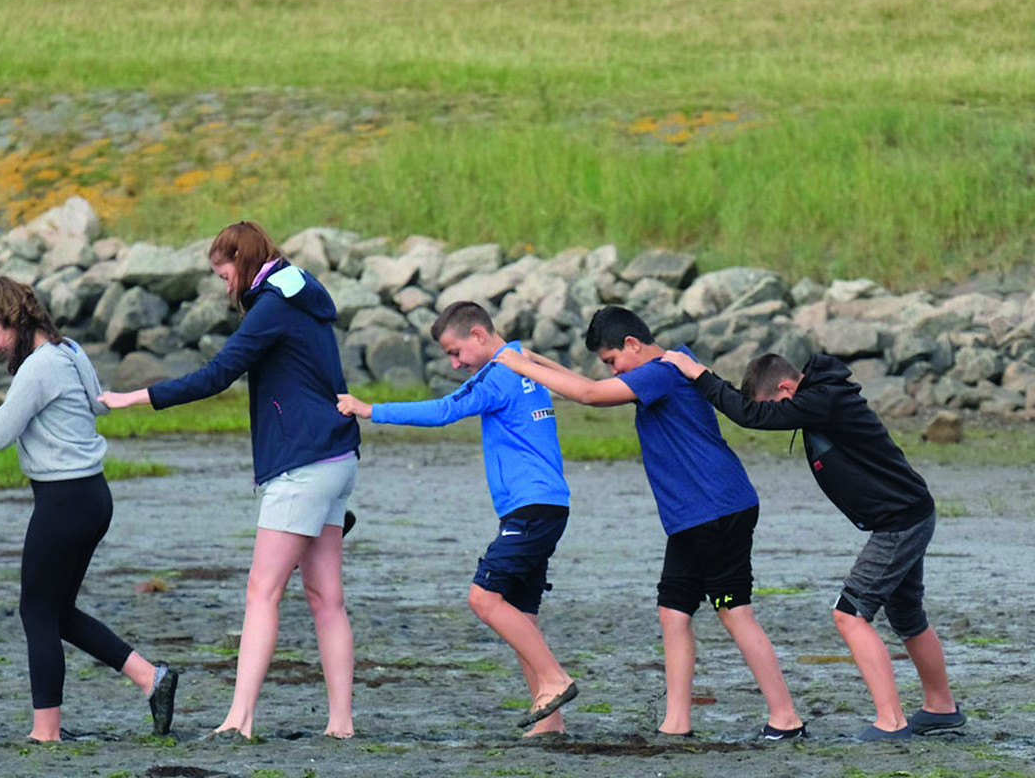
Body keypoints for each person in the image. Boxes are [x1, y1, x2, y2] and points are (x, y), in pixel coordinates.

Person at [492, 308, 808, 741]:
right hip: (693, 517)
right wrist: (534, 360)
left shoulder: (662, 372)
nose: (611, 369)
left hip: (716, 508)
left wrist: (517, 364)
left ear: (633, 345)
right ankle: (676, 723)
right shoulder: (671, 362)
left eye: (611, 360)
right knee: (673, 612)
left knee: (735, 611)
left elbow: (589, 395)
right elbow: (591, 386)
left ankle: (786, 719)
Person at [98, 221, 360, 740]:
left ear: (242, 262)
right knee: (325, 596)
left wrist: (132, 398)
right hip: (338, 457)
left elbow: (217, 375)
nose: (225, 288)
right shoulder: (299, 290)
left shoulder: (273, 306)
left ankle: (239, 720)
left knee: (262, 592)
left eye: (224, 275)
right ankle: (341, 723)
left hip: (302, 465)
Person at [659, 345, 961, 739]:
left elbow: (751, 416)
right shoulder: (820, 397)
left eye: (776, 405)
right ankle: (940, 708)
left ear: (787, 387)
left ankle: (892, 721)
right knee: (906, 615)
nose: (778, 417)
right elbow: (755, 407)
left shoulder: (823, 399)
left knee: (849, 613)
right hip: (908, 515)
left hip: (900, 523)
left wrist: (696, 373)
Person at [0, 276, 179, 743]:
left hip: (62, 502)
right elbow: (71, 412)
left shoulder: (38, 368)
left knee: (35, 613)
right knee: (57, 611)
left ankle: (46, 731)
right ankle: (151, 679)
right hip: (92, 497)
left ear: (13, 323)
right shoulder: (71, 352)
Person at [338, 299, 578, 737]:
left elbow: (445, 410)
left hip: (531, 508)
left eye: (456, 352)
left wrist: (371, 410)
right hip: (545, 506)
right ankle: (551, 722)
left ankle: (556, 680)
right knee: (521, 613)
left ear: (479, 336)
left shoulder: (501, 374)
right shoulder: (522, 361)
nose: (454, 363)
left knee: (483, 598)